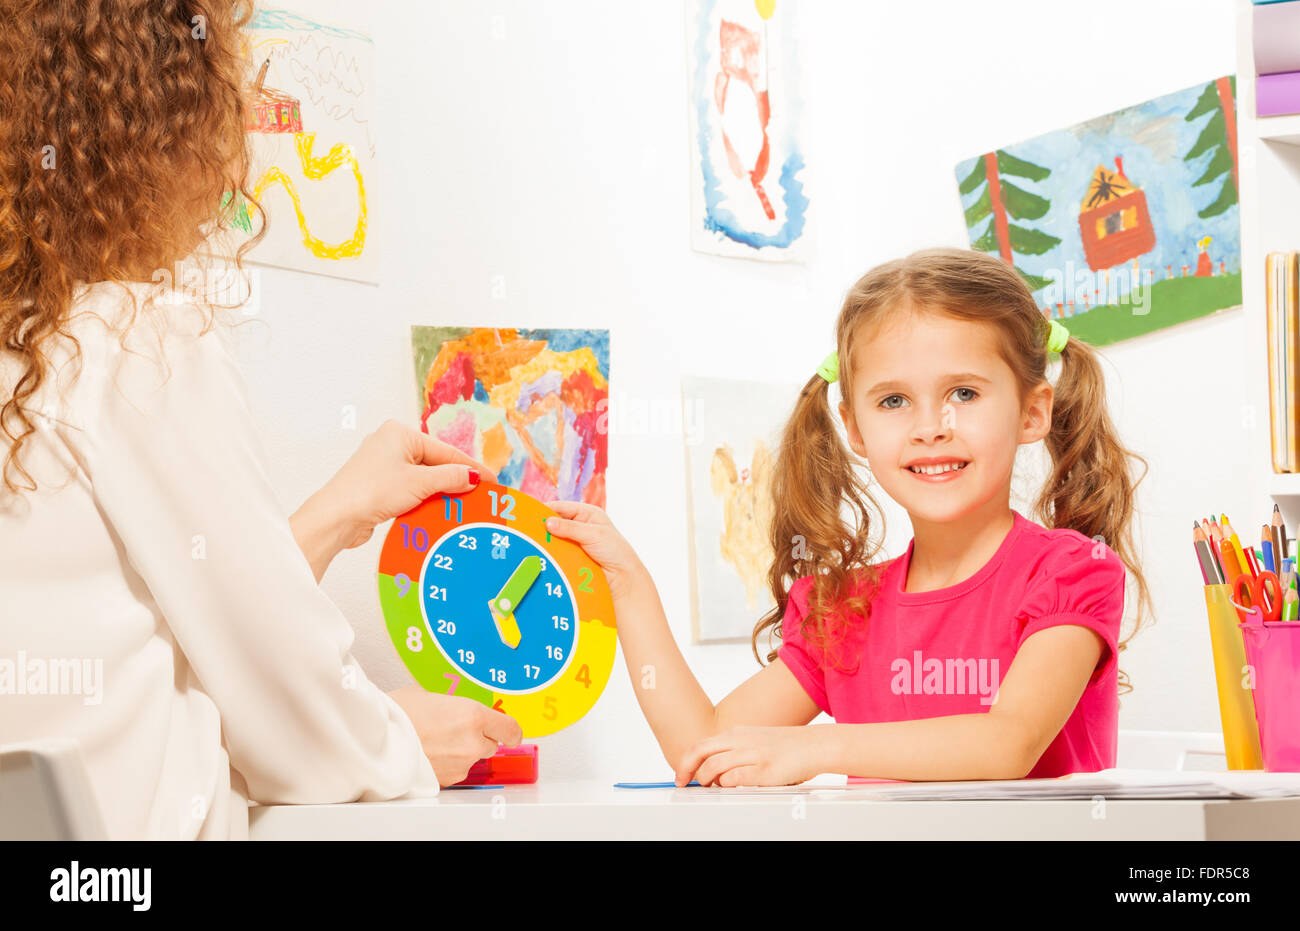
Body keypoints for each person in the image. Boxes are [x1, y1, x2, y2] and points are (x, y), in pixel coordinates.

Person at [0, 0, 519, 840]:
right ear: (172, 116)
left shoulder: (28, 359)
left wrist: (334, 514)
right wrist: (397, 738)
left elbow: (156, 615)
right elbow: (300, 729)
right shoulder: (136, 341)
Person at [546, 247, 1153, 787]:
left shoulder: (1072, 572)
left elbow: (1008, 742)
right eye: (894, 400)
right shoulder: (843, 611)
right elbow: (704, 748)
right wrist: (628, 586)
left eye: (964, 393)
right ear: (855, 428)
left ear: (1032, 411)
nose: (929, 427)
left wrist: (817, 747)